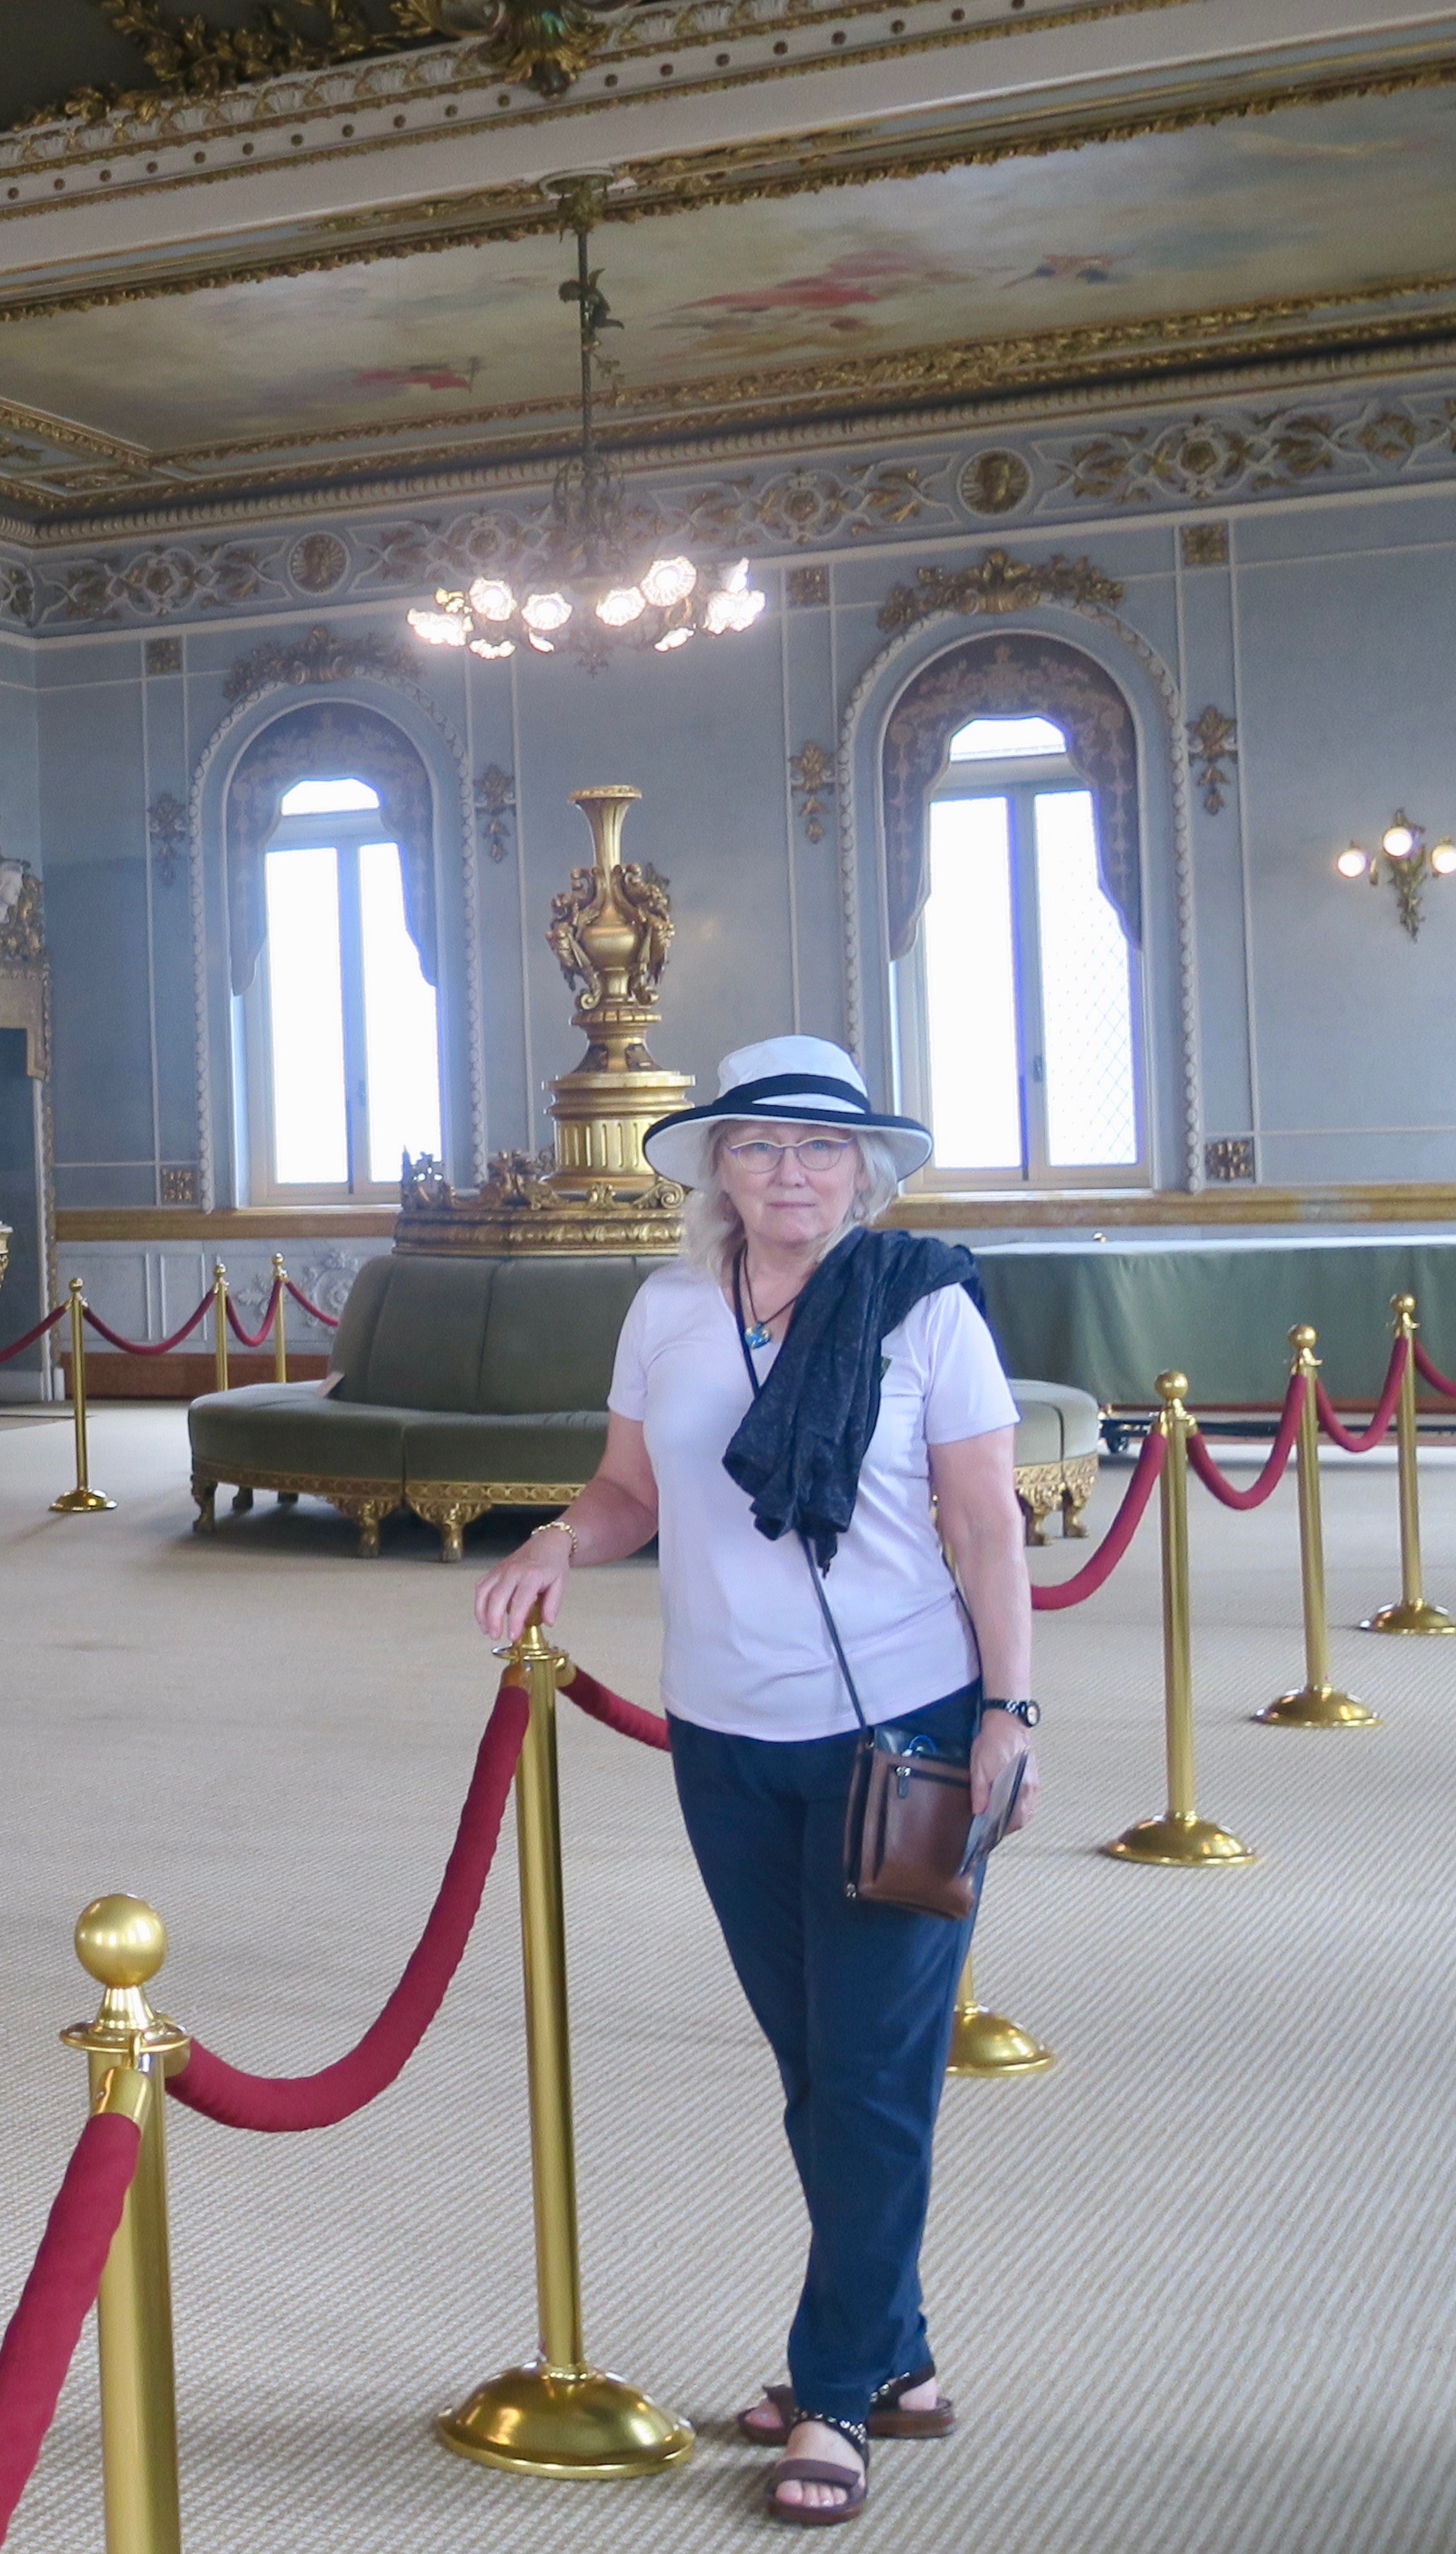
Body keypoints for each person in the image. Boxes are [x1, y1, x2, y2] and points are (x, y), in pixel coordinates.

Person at [473, 1035, 1036, 2529]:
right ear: (716, 1167)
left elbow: (984, 1524)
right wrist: (552, 1541)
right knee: (815, 2069)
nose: (791, 1173)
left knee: (867, 2078)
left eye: (820, 1149)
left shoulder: (923, 1309)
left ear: (865, 1169)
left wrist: (1009, 1711)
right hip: (722, 1741)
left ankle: (836, 2391)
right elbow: (629, 1494)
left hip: (902, 1736)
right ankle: (900, 2356)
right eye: (761, 1146)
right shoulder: (666, 1310)